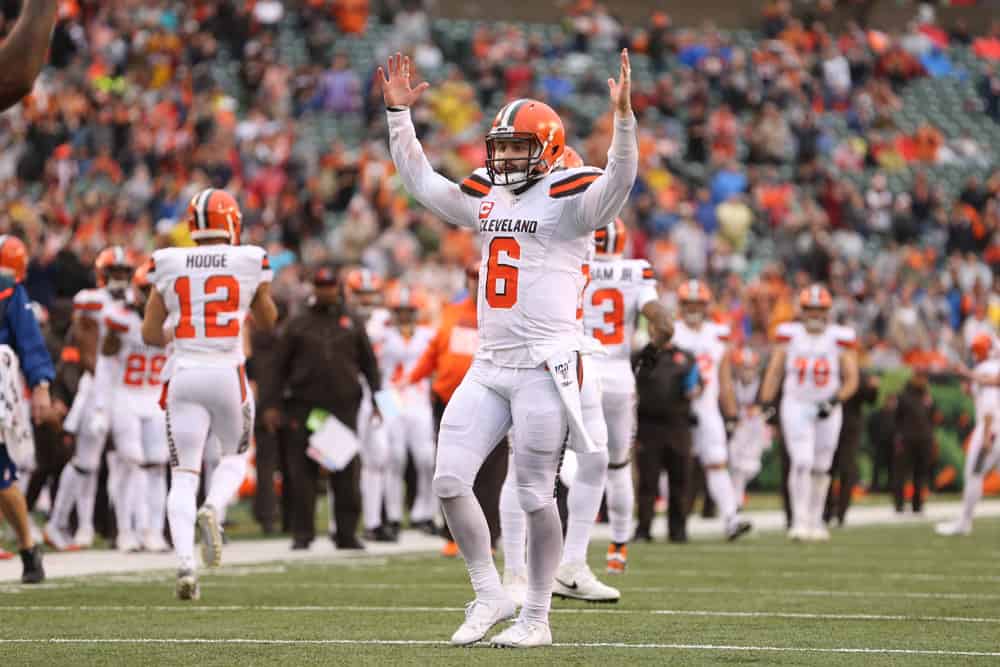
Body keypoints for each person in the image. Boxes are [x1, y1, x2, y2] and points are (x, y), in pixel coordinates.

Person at [380, 48, 636, 647]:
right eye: (501, 147)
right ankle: (491, 592)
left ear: (547, 149)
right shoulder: (490, 195)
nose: (505, 158)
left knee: (532, 494)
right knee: (448, 482)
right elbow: (425, 185)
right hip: (491, 364)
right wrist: (398, 117)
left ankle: (537, 617)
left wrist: (624, 124)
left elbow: (620, 182)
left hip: (546, 365)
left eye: (519, 148)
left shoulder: (572, 200)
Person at [142, 188, 278, 600]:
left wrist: (181, 327)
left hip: (183, 374)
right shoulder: (250, 258)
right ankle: (214, 509)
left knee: (183, 474)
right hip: (226, 374)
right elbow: (270, 321)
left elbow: (150, 334)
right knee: (235, 457)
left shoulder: (165, 260)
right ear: (232, 221)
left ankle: (185, 563)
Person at [260, 265, 379, 552]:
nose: (326, 291)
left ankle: (346, 532)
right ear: (314, 288)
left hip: (342, 406)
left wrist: (378, 398)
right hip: (304, 407)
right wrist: (271, 404)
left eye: (330, 286)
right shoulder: (297, 323)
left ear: (337, 288)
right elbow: (277, 367)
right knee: (303, 473)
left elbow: (369, 364)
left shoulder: (351, 322)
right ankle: (303, 533)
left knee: (346, 470)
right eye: (321, 286)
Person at [579, 217, 670, 576]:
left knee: (561, 464)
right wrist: (649, 351)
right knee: (618, 466)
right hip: (617, 376)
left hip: (579, 373)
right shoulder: (635, 273)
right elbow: (665, 325)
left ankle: (570, 552)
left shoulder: (575, 266)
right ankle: (617, 548)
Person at [405, 264, 510, 556]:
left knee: (491, 472)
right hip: (450, 400)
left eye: (481, 278)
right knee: (451, 469)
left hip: (494, 400)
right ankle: (453, 535)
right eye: (473, 278)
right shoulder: (452, 311)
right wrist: (411, 378)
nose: (477, 283)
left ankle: (489, 536)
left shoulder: (506, 312)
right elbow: (435, 351)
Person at [47, 247, 136, 550]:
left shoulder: (136, 301)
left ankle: (128, 530)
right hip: (97, 386)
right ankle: (67, 523)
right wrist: (103, 375)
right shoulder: (90, 301)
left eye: (125, 273)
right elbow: (85, 343)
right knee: (86, 462)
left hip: (127, 389)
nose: (121, 279)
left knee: (129, 460)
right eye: (115, 273)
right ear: (102, 275)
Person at [760, 285, 859, 542]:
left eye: (819, 309)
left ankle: (816, 520)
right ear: (801, 311)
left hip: (828, 406)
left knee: (822, 466)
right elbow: (774, 371)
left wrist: (835, 400)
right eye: (810, 309)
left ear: (827, 311)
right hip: (797, 403)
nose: (814, 314)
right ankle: (799, 520)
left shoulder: (839, 337)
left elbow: (852, 379)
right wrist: (766, 402)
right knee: (802, 461)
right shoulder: (789, 336)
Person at [96, 261, 170, 553]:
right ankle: (127, 530)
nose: (151, 296)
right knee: (132, 464)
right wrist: (101, 407)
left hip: (155, 398)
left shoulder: (173, 321)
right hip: (126, 396)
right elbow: (105, 362)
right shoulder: (120, 318)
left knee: (157, 466)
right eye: (145, 290)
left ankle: (154, 530)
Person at [671, 280, 752, 541]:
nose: (693, 309)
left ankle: (731, 518)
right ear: (681, 306)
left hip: (707, 409)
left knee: (717, 462)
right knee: (676, 466)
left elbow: (725, 379)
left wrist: (731, 412)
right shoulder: (670, 331)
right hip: (677, 408)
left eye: (698, 304)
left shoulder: (718, 334)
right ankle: (675, 523)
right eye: (688, 304)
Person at [0, 235, 55, 583]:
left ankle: (28, 545)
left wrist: (41, 385)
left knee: (2, 476)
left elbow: (29, 339)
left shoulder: (7, 289)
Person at [633, 317, 698, 543]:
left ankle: (678, 529)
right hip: (648, 424)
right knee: (648, 480)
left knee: (680, 479)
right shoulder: (642, 356)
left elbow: (695, 386)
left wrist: (695, 390)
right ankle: (643, 528)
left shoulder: (685, 358)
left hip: (678, 424)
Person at [381, 283, 437, 535]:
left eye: (408, 310)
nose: (404, 315)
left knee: (426, 458)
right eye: (399, 310)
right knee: (395, 458)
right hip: (390, 397)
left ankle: (423, 512)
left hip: (419, 398)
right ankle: (392, 515)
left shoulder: (428, 334)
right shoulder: (380, 333)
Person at [343, 267, 394, 543]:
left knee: (383, 455)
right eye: (361, 294)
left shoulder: (387, 319)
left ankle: (376, 521)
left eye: (369, 294)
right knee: (341, 456)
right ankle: (339, 524)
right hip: (348, 392)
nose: (366, 300)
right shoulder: (342, 319)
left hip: (383, 391)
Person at [937, 334, 999, 535]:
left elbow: (989, 402)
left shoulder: (986, 369)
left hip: (991, 428)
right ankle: (964, 521)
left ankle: (964, 522)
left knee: (973, 474)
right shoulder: (989, 367)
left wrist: (987, 433)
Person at [824, 370, 879, 526]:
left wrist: (873, 388)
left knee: (846, 469)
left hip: (849, 429)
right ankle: (826, 511)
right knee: (826, 468)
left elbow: (870, 399)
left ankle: (841, 512)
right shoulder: (830, 368)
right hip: (827, 425)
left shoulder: (858, 375)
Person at [891, 365, 937, 515]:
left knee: (921, 473)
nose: (923, 380)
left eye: (924, 377)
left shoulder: (927, 396)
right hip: (906, 440)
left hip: (924, 440)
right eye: (920, 377)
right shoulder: (903, 395)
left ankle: (917, 505)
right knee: (901, 473)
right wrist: (899, 437)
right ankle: (899, 505)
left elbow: (932, 418)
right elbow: (896, 418)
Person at [729, 347, 769, 505]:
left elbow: (768, 406)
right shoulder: (731, 384)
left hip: (756, 427)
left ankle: (737, 493)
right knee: (735, 464)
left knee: (751, 467)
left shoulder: (762, 385)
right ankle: (736, 498)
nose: (747, 372)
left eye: (750, 368)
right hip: (737, 427)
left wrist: (761, 410)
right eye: (743, 368)